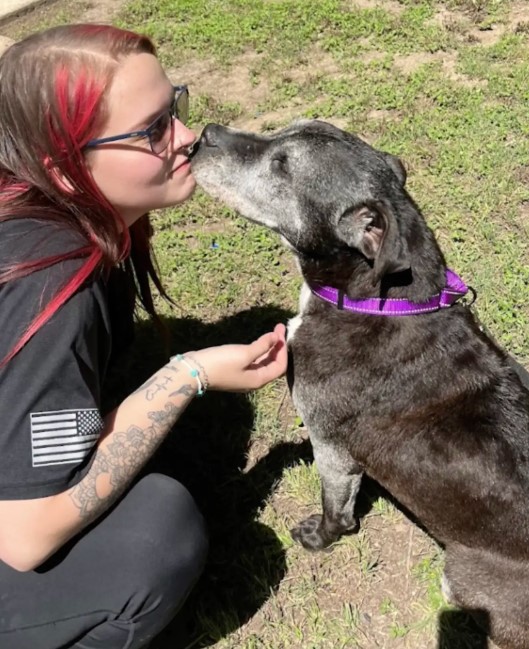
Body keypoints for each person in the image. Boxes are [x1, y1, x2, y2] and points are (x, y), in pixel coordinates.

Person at [0, 23, 287, 649]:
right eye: (152, 129)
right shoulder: (49, 284)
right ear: (69, 169)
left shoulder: (47, 217)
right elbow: (23, 536)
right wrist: (188, 375)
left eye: (175, 108)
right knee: (156, 538)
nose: (187, 137)